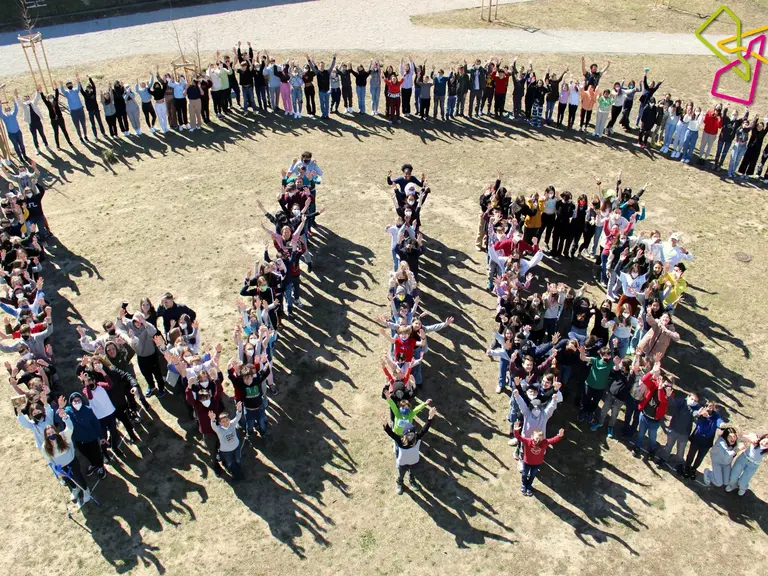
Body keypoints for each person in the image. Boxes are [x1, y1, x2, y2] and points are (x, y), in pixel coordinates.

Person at [41, 408, 92, 504]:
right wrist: (57, 471)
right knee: (68, 479)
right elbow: (49, 460)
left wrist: (65, 418)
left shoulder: (63, 436)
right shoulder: (44, 446)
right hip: (60, 466)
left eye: (52, 432)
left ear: (56, 431)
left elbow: (70, 428)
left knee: (77, 476)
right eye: (48, 434)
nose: (51, 435)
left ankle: (85, 490)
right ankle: (75, 488)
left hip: (72, 462)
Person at [383, 406, 438, 495]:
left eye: (411, 433)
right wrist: (385, 424)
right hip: (402, 462)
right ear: (404, 434)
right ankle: (400, 483)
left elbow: (425, 429)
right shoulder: (400, 440)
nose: (410, 436)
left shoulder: (417, 438)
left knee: (412, 473)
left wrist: (430, 417)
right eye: (408, 434)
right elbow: (390, 433)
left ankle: (412, 480)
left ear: (414, 433)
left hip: (414, 461)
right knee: (401, 475)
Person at [632, 359, 672, 459]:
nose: (664, 384)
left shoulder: (669, 394)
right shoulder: (655, 385)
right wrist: (652, 371)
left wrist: (660, 389)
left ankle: (651, 450)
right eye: (663, 382)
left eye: (667, 385)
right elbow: (645, 380)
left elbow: (662, 400)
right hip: (644, 415)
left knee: (652, 438)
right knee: (641, 434)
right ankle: (637, 447)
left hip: (654, 420)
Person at [513, 420, 565, 496]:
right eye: (537, 438)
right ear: (532, 437)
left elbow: (553, 440)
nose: (538, 440)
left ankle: (529, 486)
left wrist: (559, 436)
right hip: (526, 462)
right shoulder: (527, 441)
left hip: (536, 464)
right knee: (524, 474)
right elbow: (518, 437)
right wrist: (516, 430)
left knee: (532, 475)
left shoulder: (544, 442)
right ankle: (524, 485)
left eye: (540, 438)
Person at [210, 401, 244, 481]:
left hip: (236, 448)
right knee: (229, 463)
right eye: (223, 422)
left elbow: (237, 417)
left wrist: (239, 410)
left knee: (238, 460)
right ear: (220, 423)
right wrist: (212, 419)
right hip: (226, 451)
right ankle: (232, 471)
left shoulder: (232, 424)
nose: (225, 423)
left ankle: (239, 468)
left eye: (226, 420)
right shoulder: (219, 430)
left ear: (229, 419)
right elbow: (213, 426)